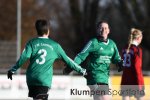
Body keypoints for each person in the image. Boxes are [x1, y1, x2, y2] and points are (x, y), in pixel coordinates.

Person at [7, 19, 86, 100]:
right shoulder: (55, 46)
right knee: (40, 98)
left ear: (37, 30)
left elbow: (23, 57)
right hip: (44, 79)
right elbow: (68, 61)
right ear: (48, 30)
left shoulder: (31, 43)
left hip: (31, 78)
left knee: (37, 97)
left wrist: (12, 70)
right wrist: (82, 71)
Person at [63, 21, 123, 100]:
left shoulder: (112, 44)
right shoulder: (93, 42)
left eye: (105, 28)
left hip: (104, 77)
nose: (103, 30)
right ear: (97, 30)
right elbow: (81, 56)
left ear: (109, 30)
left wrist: (120, 63)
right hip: (94, 76)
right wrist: (72, 65)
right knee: (106, 98)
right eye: (101, 28)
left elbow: (116, 58)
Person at [120, 28, 145, 100]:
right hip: (135, 79)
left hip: (125, 78)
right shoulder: (137, 50)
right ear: (138, 38)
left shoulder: (125, 48)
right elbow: (137, 67)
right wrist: (140, 83)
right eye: (141, 38)